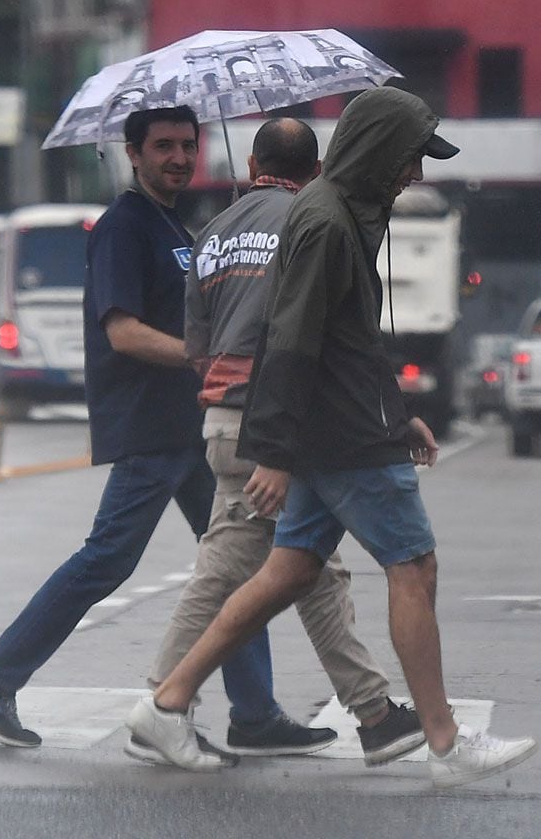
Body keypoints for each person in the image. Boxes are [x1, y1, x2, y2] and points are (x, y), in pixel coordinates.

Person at [125, 86, 538, 789]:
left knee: (290, 570)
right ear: (378, 151)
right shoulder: (323, 223)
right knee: (414, 567)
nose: (416, 175)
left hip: (343, 423)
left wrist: (398, 410)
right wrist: (277, 454)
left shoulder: (342, 217)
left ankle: (167, 704)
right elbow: (290, 340)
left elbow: (350, 338)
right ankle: (442, 742)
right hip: (340, 436)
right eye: (410, 159)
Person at [0, 105, 331, 761]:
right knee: (109, 558)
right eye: (164, 147)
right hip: (152, 424)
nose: (178, 157)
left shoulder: (175, 225)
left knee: (234, 561)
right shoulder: (123, 227)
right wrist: (201, 355)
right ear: (133, 152)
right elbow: (121, 332)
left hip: (189, 425)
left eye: (187, 145)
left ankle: (256, 713)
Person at [146, 117, 426, 766]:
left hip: (221, 416)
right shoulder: (313, 221)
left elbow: (196, 348)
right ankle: (160, 704)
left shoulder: (210, 233)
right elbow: (311, 334)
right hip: (276, 424)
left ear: (251, 161)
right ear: (317, 167)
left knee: (312, 568)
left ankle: (376, 713)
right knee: (227, 575)